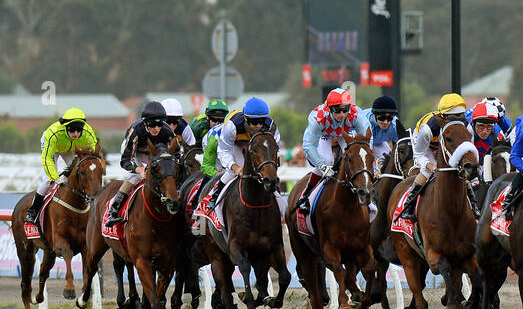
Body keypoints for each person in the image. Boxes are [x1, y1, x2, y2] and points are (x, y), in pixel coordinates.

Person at [194, 97, 285, 229]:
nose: (259, 125)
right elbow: (224, 151)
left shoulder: (271, 126)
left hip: (257, 144)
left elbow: (273, 149)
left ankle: (281, 206)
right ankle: (213, 197)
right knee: (235, 171)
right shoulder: (232, 126)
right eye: (254, 122)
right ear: (246, 119)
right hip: (234, 144)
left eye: (262, 121)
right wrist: (235, 167)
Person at [28, 108, 102, 226]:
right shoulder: (53, 133)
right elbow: (47, 159)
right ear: (66, 127)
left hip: (69, 148)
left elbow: (95, 155)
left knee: (77, 173)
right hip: (54, 148)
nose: (76, 134)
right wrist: (55, 177)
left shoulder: (88, 132)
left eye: (79, 130)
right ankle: (33, 211)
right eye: (72, 130)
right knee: (48, 180)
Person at [296, 88, 365, 214]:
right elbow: (308, 146)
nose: (342, 115)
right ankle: (306, 195)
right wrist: (322, 167)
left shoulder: (357, 114)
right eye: (337, 110)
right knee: (327, 160)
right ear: (329, 108)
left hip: (345, 132)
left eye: (345, 110)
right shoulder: (318, 119)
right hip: (325, 134)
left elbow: (366, 140)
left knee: (355, 155)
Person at [106, 101, 177, 224]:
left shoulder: (167, 131)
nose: (156, 129)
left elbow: (177, 153)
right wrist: (139, 170)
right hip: (135, 152)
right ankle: (114, 210)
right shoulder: (136, 131)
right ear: (145, 122)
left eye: (159, 124)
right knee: (134, 177)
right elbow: (126, 160)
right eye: (152, 125)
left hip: (156, 152)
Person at [359, 94, 404, 165]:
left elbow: (398, 148)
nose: (386, 122)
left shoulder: (395, 125)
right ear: (374, 115)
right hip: (360, 140)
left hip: (378, 142)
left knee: (388, 162)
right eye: (382, 118)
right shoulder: (364, 122)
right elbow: (365, 151)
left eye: (389, 118)